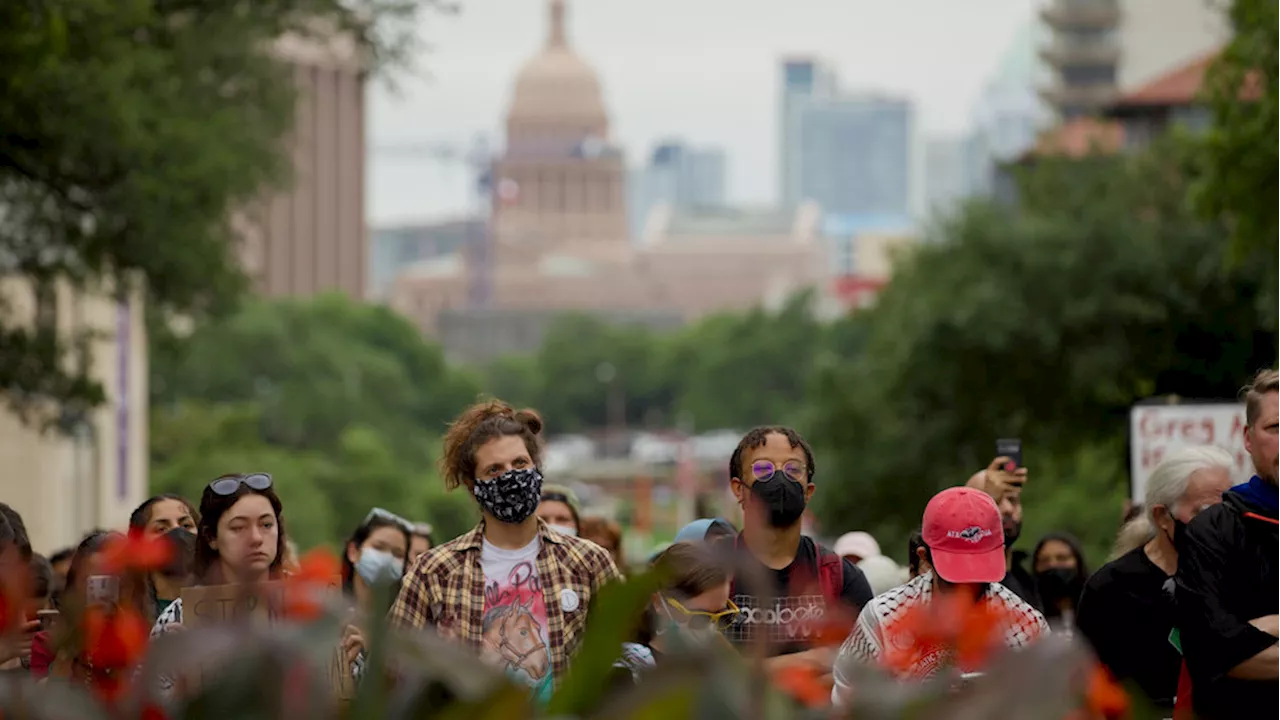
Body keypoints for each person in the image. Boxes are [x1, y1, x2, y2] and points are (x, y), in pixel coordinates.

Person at [389, 400, 621, 702]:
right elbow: (393, 667)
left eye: (520, 464)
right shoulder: (435, 571)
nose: (510, 476)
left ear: (536, 468)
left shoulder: (588, 561)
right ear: (474, 486)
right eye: (494, 469)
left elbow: (623, 651)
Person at [150, 473, 367, 691]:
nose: (255, 538)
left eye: (266, 525)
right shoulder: (177, 618)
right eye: (238, 528)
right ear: (211, 537)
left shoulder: (322, 605)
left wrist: (349, 669)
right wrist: (179, 684)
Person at [832, 487, 1048, 706]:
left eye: (979, 574)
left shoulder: (1027, 626)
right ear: (924, 557)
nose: (968, 588)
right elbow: (847, 702)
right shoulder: (884, 619)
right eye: (957, 575)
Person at [1077, 445, 1233, 712]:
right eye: (1205, 512)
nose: (1219, 525)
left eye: (1228, 511)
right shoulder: (1110, 589)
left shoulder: (1242, 577)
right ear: (1162, 516)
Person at [717, 426, 873, 665]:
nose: (779, 478)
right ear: (739, 489)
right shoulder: (708, 572)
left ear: (808, 491)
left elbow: (853, 673)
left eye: (793, 469)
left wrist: (744, 670)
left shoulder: (841, 578)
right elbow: (703, 677)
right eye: (763, 469)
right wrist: (816, 660)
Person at [1176, 369, 1280, 718]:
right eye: (1276, 428)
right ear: (1248, 438)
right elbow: (1211, 652)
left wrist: (1260, 630)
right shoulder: (1211, 532)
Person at [31, 531, 150, 683]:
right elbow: (43, 701)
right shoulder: (47, 643)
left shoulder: (150, 639)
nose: (103, 592)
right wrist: (70, 649)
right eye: (94, 582)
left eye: (114, 581)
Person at [612, 541, 736, 684]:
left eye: (723, 617)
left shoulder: (720, 666)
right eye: (700, 617)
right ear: (659, 602)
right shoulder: (629, 667)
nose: (712, 628)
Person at [967, 457, 1040, 610]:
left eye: (1012, 500)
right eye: (994, 501)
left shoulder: (1030, 581)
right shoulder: (961, 585)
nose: (1007, 509)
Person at [128, 494, 200, 620]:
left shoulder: (224, 602)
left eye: (186, 525)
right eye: (161, 529)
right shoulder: (127, 615)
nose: (178, 532)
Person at [342, 508, 411, 613]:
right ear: (353, 552)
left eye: (398, 554)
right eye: (378, 547)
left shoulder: (405, 617)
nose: (387, 559)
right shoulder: (327, 605)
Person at [1030, 533, 1088, 636]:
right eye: (1044, 561)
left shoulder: (1098, 607)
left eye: (1062, 558)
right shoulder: (1030, 614)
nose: (1053, 564)